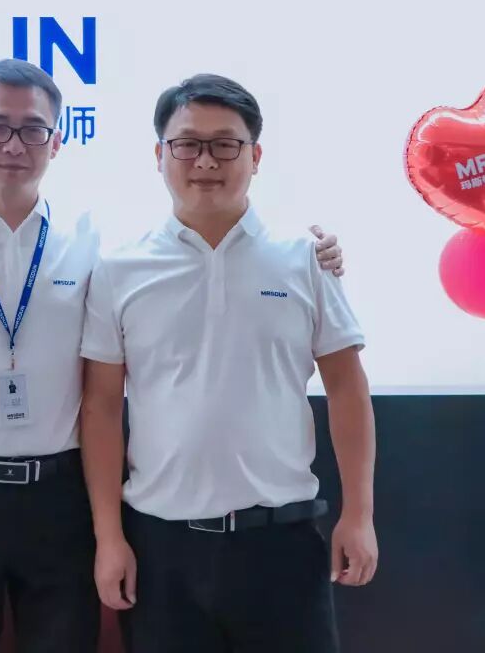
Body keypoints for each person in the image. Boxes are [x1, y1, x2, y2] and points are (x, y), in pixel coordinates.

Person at [0, 60, 346, 652]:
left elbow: (188, 246)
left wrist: (320, 253)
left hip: (60, 496)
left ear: (56, 141)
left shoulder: (91, 243)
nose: (14, 144)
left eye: (33, 129)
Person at [79, 74, 377, 653]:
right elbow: (101, 409)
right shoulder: (120, 268)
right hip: (161, 549)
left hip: (282, 543)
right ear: (159, 155)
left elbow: (347, 388)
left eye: (225, 144)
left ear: (255, 157)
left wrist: (359, 515)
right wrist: (109, 537)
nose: (205, 161)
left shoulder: (304, 258)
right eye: (187, 144)